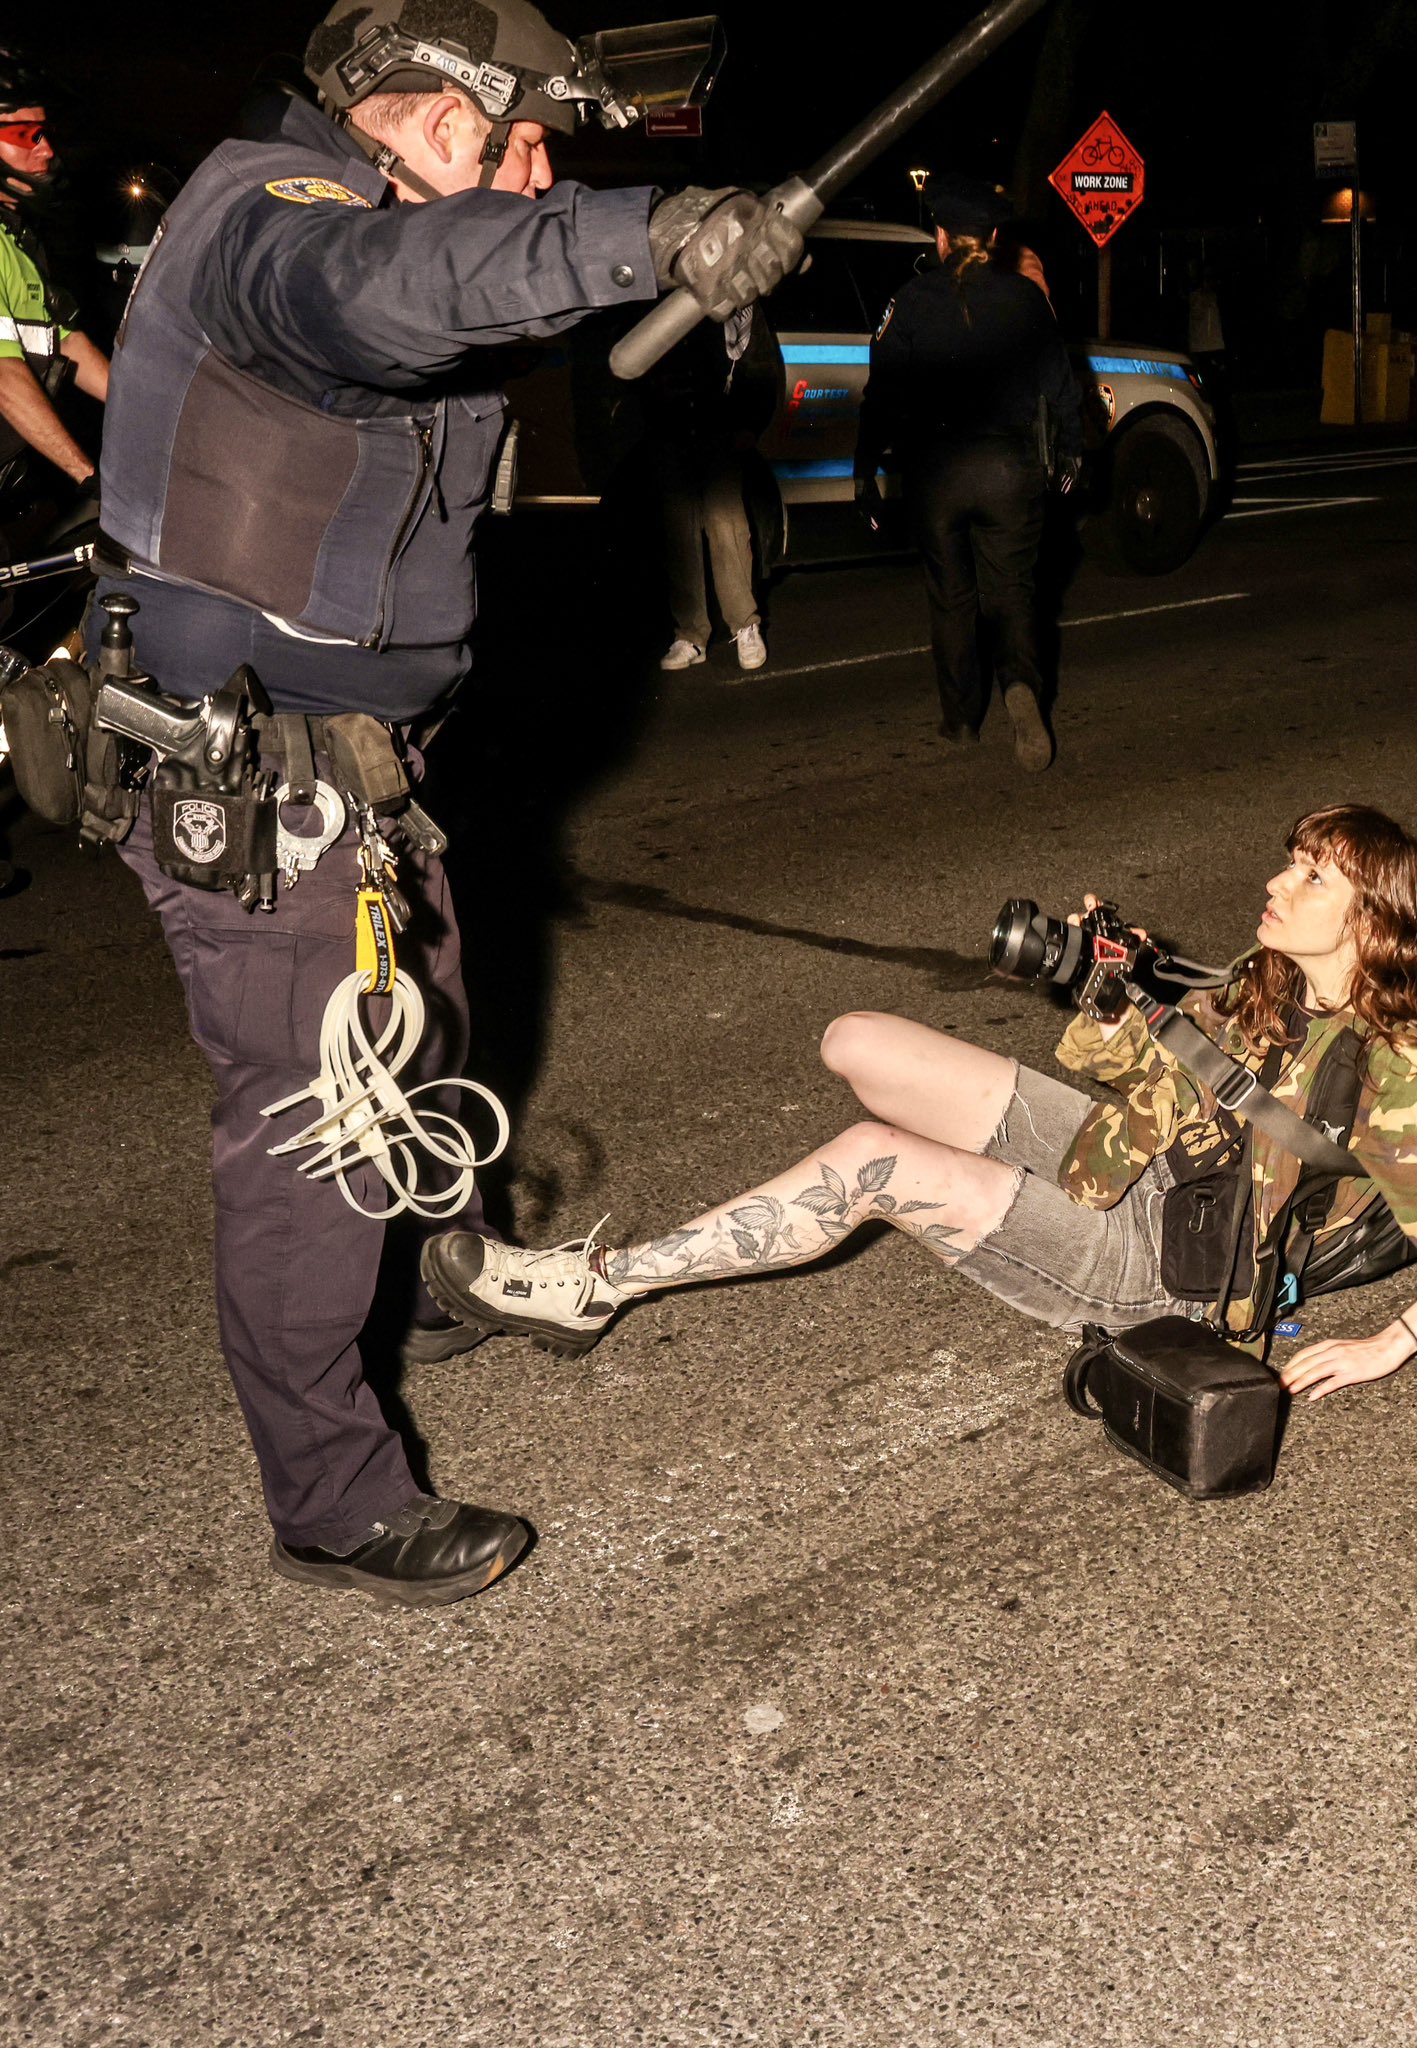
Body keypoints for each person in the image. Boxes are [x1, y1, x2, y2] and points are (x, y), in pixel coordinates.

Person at [95, 0, 801, 1607]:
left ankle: (421, 1278)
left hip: (349, 762)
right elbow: (386, 291)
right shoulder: (286, 222)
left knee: (423, 1027)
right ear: (410, 114)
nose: (534, 175)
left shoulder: (359, 213)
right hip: (253, 766)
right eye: (514, 141)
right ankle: (333, 1500)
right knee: (312, 1123)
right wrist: (646, 234)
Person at [424, 806, 1417, 1407]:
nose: (1279, 882)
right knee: (855, 1041)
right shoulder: (1272, 986)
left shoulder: (1409, 1068)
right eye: (1291, 859)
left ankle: (592, 1287)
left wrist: (1384, 1347)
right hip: (1138, 1158)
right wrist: (1110, 986)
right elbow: (1154, 1080)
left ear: (1373, 925)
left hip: (1171, 1261)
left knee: (877, 1157)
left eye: (1315, 877)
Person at [853, 171, 1082, 770]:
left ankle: (960, 720)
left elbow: (881, 397)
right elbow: (1062, 390)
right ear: (996, 236)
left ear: (941, 236)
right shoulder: (1026, 300)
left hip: (936, 475)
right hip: (1010, 471)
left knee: (952, 597)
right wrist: (1073, 455)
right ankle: (1021, 688)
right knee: (1012, 593)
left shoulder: (909, 301)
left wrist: (864, 473)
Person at [0, 51, 108, 524]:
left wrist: (158, 404)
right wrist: (87, 474)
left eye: (46, 135)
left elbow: (64, 339)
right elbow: (3, 378)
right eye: (26, 135)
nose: (46, 150)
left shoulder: (16, 241)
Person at [650, 302, 781, 674]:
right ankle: (690, 635)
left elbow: (761, 366)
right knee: (680, 532)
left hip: (719, 429)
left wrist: (750, 426)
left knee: (728, 526)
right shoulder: (667, 296)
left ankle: (745, 625)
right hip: (672, 428)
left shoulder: (741, 297)